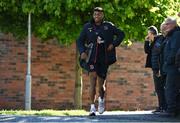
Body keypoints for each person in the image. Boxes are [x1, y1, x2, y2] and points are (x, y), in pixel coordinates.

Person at [77, 7, 125, 116]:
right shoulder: (87, 27)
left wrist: (113, 44)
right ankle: (92, 107)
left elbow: (121, 34)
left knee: (100, 84)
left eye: (98, 14)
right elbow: (79, 40)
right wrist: (82, 52)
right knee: (92, 81)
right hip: (91, 58)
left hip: (104, 58)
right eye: (95, 14)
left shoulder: (108, 26)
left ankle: (101, 99)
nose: (96, 16)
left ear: (102, 15)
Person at [144, 26, 166, 113]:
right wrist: (146, 41)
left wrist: (159, 69)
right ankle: (161, 106)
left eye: (148, 34)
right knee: (158, 88)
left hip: (158, 68)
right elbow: (147, 51)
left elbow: (159, 55)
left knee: (160, 88)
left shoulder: (159, 41)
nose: (148, 35)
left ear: (152, 33)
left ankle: (163, 107)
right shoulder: (154, 42)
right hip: (155, 68)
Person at [161, 17, 180, 117]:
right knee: (170, 88)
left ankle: (172, 110)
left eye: (167, 24)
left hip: (173, 67)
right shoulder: (171, 35)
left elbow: (174, 50)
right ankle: (173, 109)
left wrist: (168, 61)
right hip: (169, 67)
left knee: (170, 88)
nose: (165, 25)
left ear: (174, 24)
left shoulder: (176, 34)